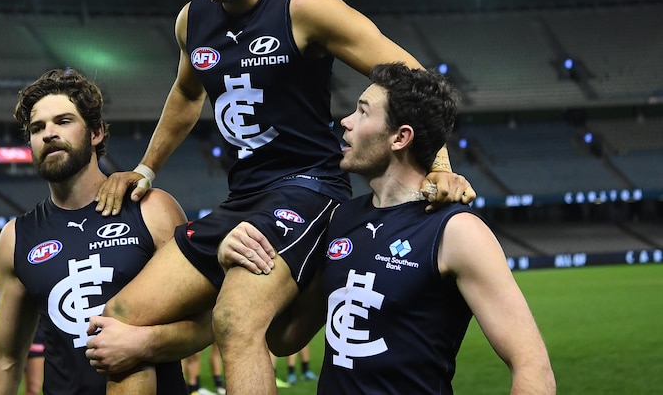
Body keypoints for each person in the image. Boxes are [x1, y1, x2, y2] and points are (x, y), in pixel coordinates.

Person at [90, 0, 474, 393]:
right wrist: (145, 169)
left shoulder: (306, 8)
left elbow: (412, 79)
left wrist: (440, 168)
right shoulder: (192, 20)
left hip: (309, 189)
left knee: (237, 320)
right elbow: (186, 95)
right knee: (117, 322)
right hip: (242, 199)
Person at [219, 63, 556, 394]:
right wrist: (238, 262)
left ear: (400, 137)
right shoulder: (340, 219)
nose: (345, 122)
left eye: (363, 112)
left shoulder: (457, 232)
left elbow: (532, 366)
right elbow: (285, 338)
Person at [0, 68, 193, 394]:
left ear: (96, 133)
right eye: (37, 128)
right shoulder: (17, 237)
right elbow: (2, 357)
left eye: (63, 122)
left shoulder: (152, 210)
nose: (48, 134)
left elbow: (208, 322)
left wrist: (144, 343)